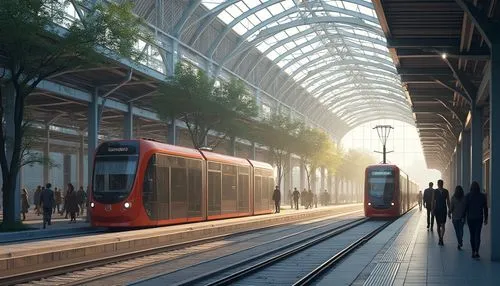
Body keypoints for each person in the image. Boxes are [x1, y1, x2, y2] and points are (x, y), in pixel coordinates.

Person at [465, 181, 488, 258]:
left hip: (470, 218)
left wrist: (463, 217)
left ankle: (473, 251)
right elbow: (485, 208)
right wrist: (486, 218)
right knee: (477, 235)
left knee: (472, 235)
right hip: (479, 218)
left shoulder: (468, 196)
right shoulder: (482, 196)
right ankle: (477, 251)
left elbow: (466, 208)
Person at [432, 179, 450, 245]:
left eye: (441, 184)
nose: (440, 185)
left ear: (442, 184)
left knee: (443, 225)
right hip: (437, 210)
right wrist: (432, 209)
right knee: (438, 225)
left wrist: (449, 209)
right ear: (438, 184)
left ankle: (441, 238)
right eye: (439, 184)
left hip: (443, 210)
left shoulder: (446, 191)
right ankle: (440, 238)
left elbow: (448, 201)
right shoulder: (435, 191)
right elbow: (433, 201)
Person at [449, 185, 466, 250]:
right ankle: (460, 241)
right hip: (462, 217)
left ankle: (459, 242)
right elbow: (465, 207)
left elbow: (451, 207)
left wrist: (449, 213)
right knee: (461, 229)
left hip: (455, 217)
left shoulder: (453, 198)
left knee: (457, 231)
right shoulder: (464, 198)